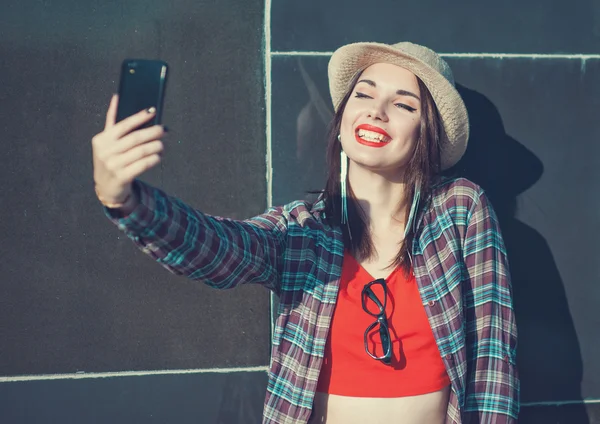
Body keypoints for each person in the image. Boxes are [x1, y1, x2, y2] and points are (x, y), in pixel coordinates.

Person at [92, 41, 519, 423]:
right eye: (364, 94)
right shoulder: (303, 228)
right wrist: (126, 201)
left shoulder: (460, 209)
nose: (376, 110)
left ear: (429, 131)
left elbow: (493, 354)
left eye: (404, 105)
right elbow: (222, 248)